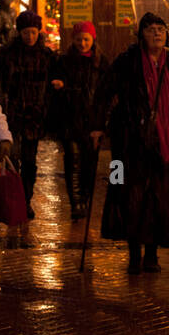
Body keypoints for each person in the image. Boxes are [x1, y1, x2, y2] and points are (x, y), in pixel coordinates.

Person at [91, 12, 169, 274]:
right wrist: (97, 127)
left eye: (161, 29)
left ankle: (152, 253)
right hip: (129, 140)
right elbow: (103, 93)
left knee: (158, 197)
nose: (157, 33)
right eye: (150, 29)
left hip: (163, 142)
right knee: (130, 195)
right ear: (141, 34)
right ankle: (134, 252)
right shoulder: (126, 63)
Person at [0, 10, 55, 219]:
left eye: (34, 33)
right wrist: (4, 100)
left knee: (29, 161)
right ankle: (16, 198)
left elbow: (55, 80)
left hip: (34, 116)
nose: (30, 37)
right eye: (26, 33)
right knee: (14, 159)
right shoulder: (6, 55)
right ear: (20, 33)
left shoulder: (46, 56)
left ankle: (26, 198)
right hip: (12, 115)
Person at [51, 21, 110, 221]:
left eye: (86, 39)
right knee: (73, 160)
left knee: (89, 163)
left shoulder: (101, 63)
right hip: (70, 120)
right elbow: (55, 90)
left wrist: (101, 125)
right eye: (79, 39)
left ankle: (85, 197)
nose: (82, 43)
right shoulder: (65, 61)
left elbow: (106, 97)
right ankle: (76, 202)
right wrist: (60, 87)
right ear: (73, 40)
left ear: (93, 40)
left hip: (93, 122)